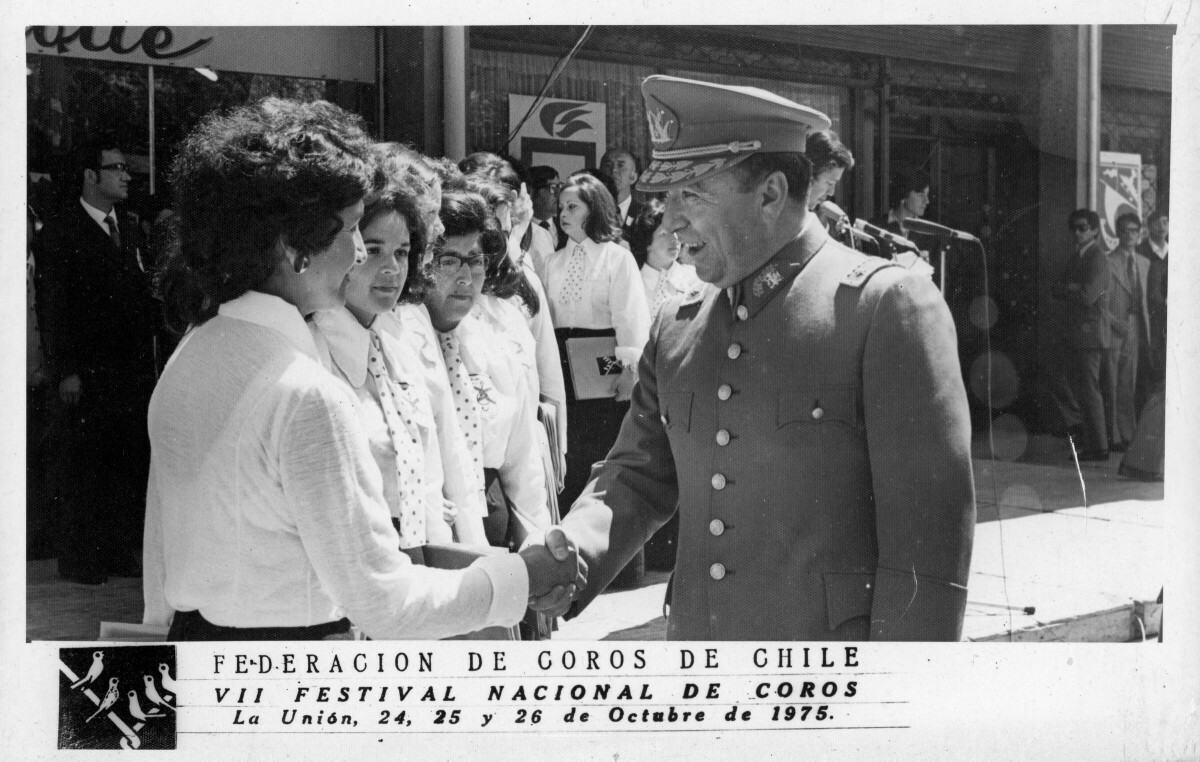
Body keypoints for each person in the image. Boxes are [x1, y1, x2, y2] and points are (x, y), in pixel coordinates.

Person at [531, 75, 976, 641]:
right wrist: (568, 555)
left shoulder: (884, 307)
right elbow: (636, 477)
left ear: (770, 194)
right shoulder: (676, 326)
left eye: (691, 194)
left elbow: (927, 549)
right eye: (668, 198)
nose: (669, 221)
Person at [144, 98, 583, 640]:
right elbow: (384, 601)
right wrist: (522, 577)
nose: (358, 253)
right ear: (295, 246)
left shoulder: (194, 351)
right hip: (286, 663)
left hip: (196, 650)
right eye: (353, 230)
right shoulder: (305, 391)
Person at [307, 155, 487, 549]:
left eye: (402, 252)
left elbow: (431, 473)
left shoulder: (397, 346)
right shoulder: (312, 349)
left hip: (417, 553)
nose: (391, 269)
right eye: (373, 250)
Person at [37, 137, 159, 584]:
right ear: (90, 176)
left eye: (126, 168)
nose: (126, 176)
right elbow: (53, 307)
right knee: (84, 462)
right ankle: (80, 558)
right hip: (86, 371)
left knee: (121, 457)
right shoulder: (61, 231)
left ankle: (114, 550)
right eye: (116, 168)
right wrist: (66, 370)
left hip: (128, 368)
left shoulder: (127, 227)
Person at [423, 190, 552, 551]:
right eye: (449, 260)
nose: (465, 277)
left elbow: (523, 462)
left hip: (492, 529)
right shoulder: (400, 344)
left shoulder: (496, 346)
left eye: (475, 260)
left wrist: (537, 549)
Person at [535, 172, 650, 510]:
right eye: (561, 207)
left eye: (573, 206)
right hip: (562, 375)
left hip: (604, 376)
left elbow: (630, 318)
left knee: (602, 457)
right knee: (569, 456)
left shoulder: (617, 258)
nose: (563, 213)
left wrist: (629, 373)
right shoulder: (552, 262)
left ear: (594, 209)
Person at [1050, 210, 1112, 461]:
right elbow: (1055, 288)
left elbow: (1088, 296)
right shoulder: (1077, 257)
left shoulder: (1097, 257)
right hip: (1077, 333)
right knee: (1075, 386)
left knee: (1088, 389)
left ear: (1095, 230)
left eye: (1083, 228)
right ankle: (1089, 439)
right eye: (1074, 228)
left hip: (1089, 334)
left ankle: (1098, 447)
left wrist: (1069, 288)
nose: (1077, 232)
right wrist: (1072, 287)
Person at [1103, 212, 1152, 453]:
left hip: (1135, 325)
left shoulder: (1144, 262)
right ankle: (1113, 435)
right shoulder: (1107, 261)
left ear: (1140, 232)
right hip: (1114, 327)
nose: (1129, 234)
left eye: (1134, 230)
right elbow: (1099, 301)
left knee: (1127, 382)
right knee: (1111, 381)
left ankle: (1128, 432)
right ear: (1117, 232)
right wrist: (1114, 322)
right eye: (1124, 230)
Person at [631, 197, 701, 321]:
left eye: (675, 231)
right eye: (664, 234)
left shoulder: (695, 277)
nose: (674, 239)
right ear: (647, 243)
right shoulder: (633, 286)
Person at [600, 148, 644, 238]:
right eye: (608, 165)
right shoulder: (588, 213)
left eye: (620, 165)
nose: (614, 170)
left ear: (633, 177)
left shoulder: (645, 215)